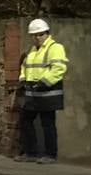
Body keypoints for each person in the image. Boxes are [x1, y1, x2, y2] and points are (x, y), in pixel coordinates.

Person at [16, 18, 68, 164]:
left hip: (48, 92)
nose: (37, 38)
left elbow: (58, 68)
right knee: (26, 121)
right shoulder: (32, 51)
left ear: (47, 33)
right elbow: (25, 67)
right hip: (33, 93)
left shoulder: (55, 48)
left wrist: (44, 82)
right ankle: (30, 152)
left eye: (40, 34)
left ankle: (50, 154)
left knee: (48, 124)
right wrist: (23, 79)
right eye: (34, 35)